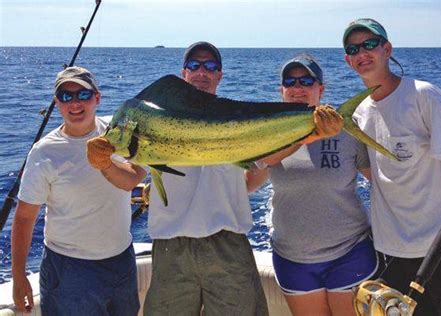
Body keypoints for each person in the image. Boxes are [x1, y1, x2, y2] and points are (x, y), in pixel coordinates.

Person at [343, 18, 441, 316]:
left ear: (387, 49)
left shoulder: (423, 95)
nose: (362, 52)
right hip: (390, 256)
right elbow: (371, 172)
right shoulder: (359, 114)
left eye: (370, 44)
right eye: (353, 49)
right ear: (348, 61)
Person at [141, 41, 269, 316]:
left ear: (220, 75)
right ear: (183, 73)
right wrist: (103, 162)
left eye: (210, 66)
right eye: (194, 66)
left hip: (228, 244)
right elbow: (130, 175)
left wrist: (312, 132)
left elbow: (258, 172)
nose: (202, 72)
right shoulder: (157, 120)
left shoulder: (235, 119)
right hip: (171, 246)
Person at [247, 54, 378, 316]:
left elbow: (380, 181)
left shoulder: (346, 130)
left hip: (349, 250)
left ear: (321, 89)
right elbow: (248, 185)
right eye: (290, 82)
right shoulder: (266, 135)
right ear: (281, 90)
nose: (297, 88)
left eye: (306, 81)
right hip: (293, 258)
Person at [11, 66, 146, 315]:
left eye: (83, 95)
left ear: (97, 98)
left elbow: (133, 177)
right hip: (69, 270)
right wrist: (18, 277)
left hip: (121, 260)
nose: (75, 103)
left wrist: (106, 165)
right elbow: (24, 217)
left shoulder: (117, 132)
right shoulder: (44, 153)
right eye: (66, 96)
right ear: (57, 103)